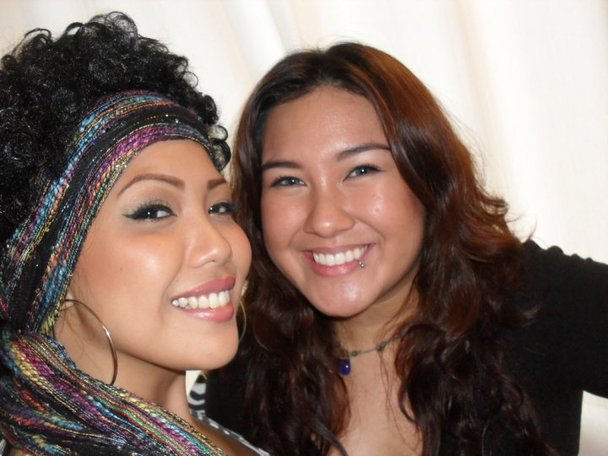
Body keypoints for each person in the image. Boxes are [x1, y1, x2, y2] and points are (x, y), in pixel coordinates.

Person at [193, 42, 608, 455]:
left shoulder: (530, 299)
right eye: (288, 181)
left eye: (361, 170)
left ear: (428, 178)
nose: (325, 220)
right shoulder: (241, 362)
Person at [0, 12, 270, 455]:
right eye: (153, 211)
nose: (218, 245)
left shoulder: (223, 424)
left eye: (220, 207)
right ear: (47, 267)